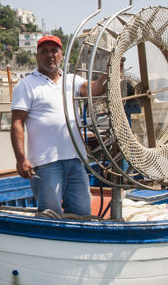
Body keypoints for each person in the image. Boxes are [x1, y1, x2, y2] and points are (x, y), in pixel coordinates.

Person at [10, 35, 108, 216]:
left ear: (61, 55)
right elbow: (17, 122)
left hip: (76, 159)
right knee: (51, 215)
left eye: (54, 51)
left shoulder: (72, 81)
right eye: (44, 51)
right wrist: (21, 159)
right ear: (37, 56)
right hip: (46, 163)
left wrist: (111, 71)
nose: (50, 55)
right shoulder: (26, 85)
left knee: (82, 214)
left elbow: (95, 89)